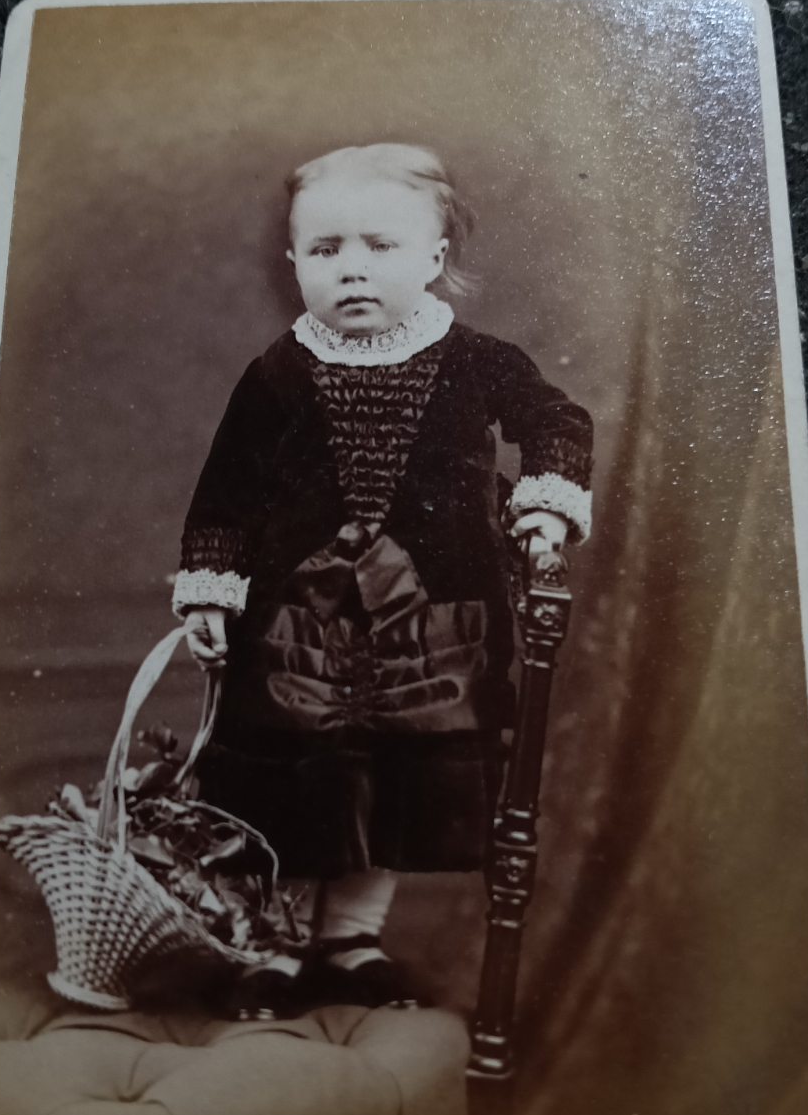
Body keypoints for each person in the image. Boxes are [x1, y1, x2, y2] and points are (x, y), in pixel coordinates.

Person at [173, 143, 593, 1019]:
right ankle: (278, 942)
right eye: (325, 250)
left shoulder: (479, 360)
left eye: (380, 246)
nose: (351, 269)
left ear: (436, 257)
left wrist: (548, 505)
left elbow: (554, 418)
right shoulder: (277, 375)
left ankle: (352, 939)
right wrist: (213, 585)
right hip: (298, 626)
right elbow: (227, 493)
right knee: (294, 778)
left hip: (431, 625)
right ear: (293, 263)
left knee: (396, 778)